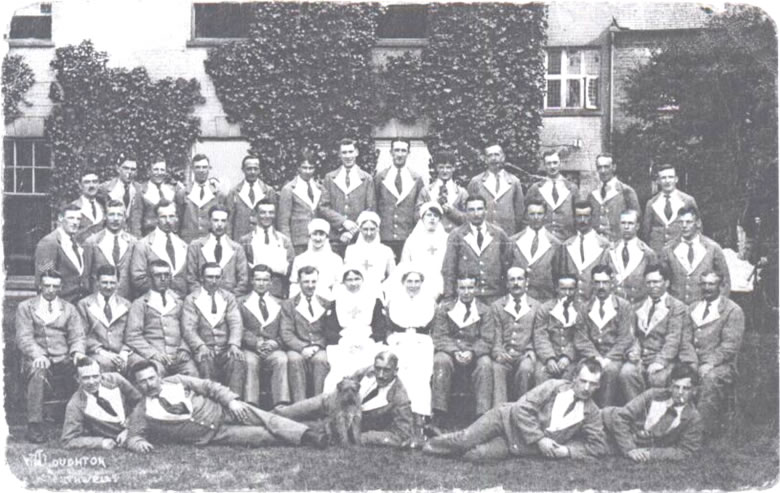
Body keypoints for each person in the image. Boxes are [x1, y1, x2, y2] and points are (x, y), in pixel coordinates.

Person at [422, 358, 608, 461]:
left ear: (598, 386)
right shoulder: (553, 386)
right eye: (583, 381)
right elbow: (522, 408)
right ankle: (430, 445)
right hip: (504, 419)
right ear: (574, 377)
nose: (586, 388)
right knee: (464, 440)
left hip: (518, 445)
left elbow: (598, 446)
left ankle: (455, 446)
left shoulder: (591, 412)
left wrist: (567, 451)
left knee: (475, 456)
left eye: (592, 384)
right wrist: (540, 439)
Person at [125, 361, 326, 452]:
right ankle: (310, 429)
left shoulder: (177, 380)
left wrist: (231, 401)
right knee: (261, 436)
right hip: (215, 434)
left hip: (225, 411)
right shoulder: (142, 411)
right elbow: (133, 436)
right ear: (137, 384)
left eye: (152, 378)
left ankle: (310, 435)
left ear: (158, 376)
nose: (149, 384)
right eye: (142, 381)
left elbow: (209, 386)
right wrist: (137, 444)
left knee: (268, 418)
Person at [274, 351, 414, 448]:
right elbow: (349, 381)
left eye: (387, 370)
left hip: (342, 424)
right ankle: (253, 414)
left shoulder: (400, 398)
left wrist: (363, 437)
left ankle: (254, 423)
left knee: (292, 429)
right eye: (378, 369)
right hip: (328, 402)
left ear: (396, 371)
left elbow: (402, 434)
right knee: (284, 414)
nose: (381, 375)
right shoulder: (369, 371)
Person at [16, 270, 86, 443]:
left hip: (64, 357)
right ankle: (35, 425)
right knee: (38, 372)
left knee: (86, 370)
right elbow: (24, 337)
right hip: (37, 359)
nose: (50, 290)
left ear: (61, 288)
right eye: (47, 285)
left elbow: (77, 335)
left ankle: (85, 420)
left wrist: (77, 352)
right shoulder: (26, 307)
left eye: (55, 286)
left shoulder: (69, 309)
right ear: (40, 286)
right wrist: (38, 354)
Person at [678, 270, 744, 434]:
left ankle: (697, 433)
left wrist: (709, 363)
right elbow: (685, 339)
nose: (707, 288)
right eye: (703, 284)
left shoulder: (732, 310)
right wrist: (692, 362)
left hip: (721, 365)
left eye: (711, 284)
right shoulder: (693, 307)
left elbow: (729, 346)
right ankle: (672, 428)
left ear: (720, 286)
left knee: (710, 379)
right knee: (671, 375)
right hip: (693, 361)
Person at [431, 274, 495, 429]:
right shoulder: (445, 308)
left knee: (485, 364)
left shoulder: (484, 310)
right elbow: (440, 336)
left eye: (470, 288)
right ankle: (439, 415)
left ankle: (482, 415)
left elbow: (487, 338)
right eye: (462, 288)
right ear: (456, 289)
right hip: (451, 351)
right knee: (440, 360)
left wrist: (472, 352)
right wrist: (454, 351)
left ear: (476, 289)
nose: (466, 292)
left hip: (474, 352)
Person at [603, 365, 703, 461]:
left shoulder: (693, 418)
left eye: (686, 388)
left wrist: (650, 454)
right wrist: (630, 448)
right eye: (676, 387)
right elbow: (621, 417)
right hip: (606, 421)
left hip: (625, 439)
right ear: (671, 386)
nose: (680, 392)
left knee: (601, 448)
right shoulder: (652, 395)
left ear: (694, 391)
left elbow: (685, 451)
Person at [619, 264, 687, 401]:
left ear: (666, 283)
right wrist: (632, 352)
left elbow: (673, 339)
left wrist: (660, 361)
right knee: (626, 372)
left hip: (664, 359)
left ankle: (656, 418)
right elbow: (633, 335)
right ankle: (638, 415)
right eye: (648, 282)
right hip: (641, 358)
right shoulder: (638, 306)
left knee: (658, 378)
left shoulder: (677, 307)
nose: (652, 286)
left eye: (656, 282)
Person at [384, 264, 437, 437]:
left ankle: (420, 419)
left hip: (421, 341)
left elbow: (433, 327)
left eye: (417, 281)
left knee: (421, 376)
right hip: (400, 340)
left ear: (422, 283)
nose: (413, 285)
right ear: (403, 282)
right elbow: (388, 327)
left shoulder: (429, 302)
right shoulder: (394, 301)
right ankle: (401, 418)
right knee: (401, 375)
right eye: (409, 281)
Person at [574, 265, 635, 407]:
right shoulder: (585, 307)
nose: (601, 287)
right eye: (597, 282)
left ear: (611, 283)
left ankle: (604, 413)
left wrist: (608, 359)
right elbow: (581, 338)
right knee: (582, 372)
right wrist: (595, 357)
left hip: (613, 357)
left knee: (609, 371)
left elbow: (625, 338)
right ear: (592, 284)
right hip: (591, 356)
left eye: (605, 282)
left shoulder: (623, 306)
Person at [125, 260, 199, 377]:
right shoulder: (140, 304)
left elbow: (188, 330)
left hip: (178, 357)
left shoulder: (179, 302)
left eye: (167, 275)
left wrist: (185, 349)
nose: (163, 279)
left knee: (193, 374)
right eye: (158, 275)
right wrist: (153, 354)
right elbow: (133, 336)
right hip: (155, 357)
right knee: (155, 375)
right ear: (149, 278)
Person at [181, 263, 245, 395]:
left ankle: (235, 400)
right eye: (210, 277)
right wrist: (200, 346)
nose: (214, 281)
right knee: (204, 360)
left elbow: (235, 322)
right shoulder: (192, 299)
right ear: (202, 278)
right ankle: (211, 404)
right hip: (205, 348)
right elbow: (188, 328)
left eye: (217, 277)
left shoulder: (228, 297)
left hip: (225, 348)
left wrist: (234, 344)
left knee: (237, 359)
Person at [322, 265, 388, 394]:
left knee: (370, 365)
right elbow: (330, 328)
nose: (353, 283)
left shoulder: (374, 300)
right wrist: (344, 342)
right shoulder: (336, 302)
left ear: (362, 280)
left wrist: (370, 341)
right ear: (344, 282)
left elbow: (380, 326)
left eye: (357, 279)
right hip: (343, 340)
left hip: (368, 339)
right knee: (340, 368)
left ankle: (367, 403)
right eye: (349, 279)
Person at [442, 195, 513, 304]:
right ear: (466, 212)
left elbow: (508, 265)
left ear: (485, 210)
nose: (476, 214)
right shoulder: (456, 235)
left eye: (479, 209)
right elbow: (449, 269)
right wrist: (449, 298)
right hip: (468, 298)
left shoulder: (499, 234)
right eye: (471, 210)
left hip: (495, 297)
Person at [238, 264, 291, 407]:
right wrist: (255, 343)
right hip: (251, 348)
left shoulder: (281, 303)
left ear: (271, 283)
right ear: (252, 281)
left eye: (265, 280)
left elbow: (286, 329)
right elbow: (239, 328)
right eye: (258, 279)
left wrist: (276, 343)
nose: (261, 283)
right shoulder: (241, 302)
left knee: (281, 359)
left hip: (273, 348)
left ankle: (281, 404)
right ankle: (251, 404)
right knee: (249, 362)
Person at [61, 357, 142, 449]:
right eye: (86, 378)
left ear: (101, 374)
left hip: (138, 425)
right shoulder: (75, 404)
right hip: (117, 438)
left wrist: (130, 426)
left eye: (95, 376)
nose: (92, 382)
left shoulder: (116, 380)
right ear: (77, 379)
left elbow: (141, 401)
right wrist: (100, 442)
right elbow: (68, 440)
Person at [280, 266, 334, 400]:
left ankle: (319, 403)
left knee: (322, 360)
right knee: (294, 360)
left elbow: (330, 331)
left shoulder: (326, 304)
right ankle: (300, 405)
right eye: (306, 282)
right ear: (299, 282)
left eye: (313, 282)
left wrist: (317, 345)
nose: (310, 286)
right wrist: (302, 348)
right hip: (297, 347)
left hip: (318, 347)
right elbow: (286, 332)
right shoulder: (289, 305)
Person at [492, 267, 542, 405]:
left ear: (527, 282)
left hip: (524, 355)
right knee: (497, 369)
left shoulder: (536, 306)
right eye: (512, 280)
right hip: (505, 354)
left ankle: (522, 411)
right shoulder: (497, 306)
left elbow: (538, 334)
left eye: (520, 279)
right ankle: (499, 412)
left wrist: (531, 350)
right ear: (507, 284)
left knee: (526, 369)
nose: (516, 283)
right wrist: (498, 352)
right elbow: (496, 334)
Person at [661, 206, 731, 304]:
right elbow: (662, 282)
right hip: (676, 310)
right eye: (681, 222)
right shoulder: (668, 249)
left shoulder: (713, 248)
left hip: (704, 309)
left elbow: (725, 282)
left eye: (688, 222)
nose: (684, 226)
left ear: (697, 223)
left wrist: (718, 307)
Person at [374, 137, 430, 258]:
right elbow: (374, 205)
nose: (400, 154)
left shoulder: (416, 178)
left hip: (408, 237)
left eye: (403, 151)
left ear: (408, 153)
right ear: (391, 152)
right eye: (397, 150)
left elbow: (420, 208)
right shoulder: (380, 177)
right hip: (385, 237)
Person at [319, 138, 376, 255]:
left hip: (358, 237)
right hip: (335, 237)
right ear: (339, 154)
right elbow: (323, 207)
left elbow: (370, 209)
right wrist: (343, 222)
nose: (348, 156)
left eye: (351, 152)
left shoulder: (366, 178)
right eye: (344, 152)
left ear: (356, 153)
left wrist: (352, 232)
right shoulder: (330, 178)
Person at [76, 265, 133, 374]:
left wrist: (124, 352)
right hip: (97, 353)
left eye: (112, 283)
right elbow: (82, 335)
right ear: (97, 283)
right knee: (107, 365)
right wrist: (103, 352)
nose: (108, 287)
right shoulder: (84, 304)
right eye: (104, 282)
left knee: (140, 365)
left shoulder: (126, 305)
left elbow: (132, 333)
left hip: (123, 352)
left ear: (118, 283)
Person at [34, 203, 94, 303]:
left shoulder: (75, 243)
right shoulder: (49, 243)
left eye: (78, 219)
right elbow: (43, 279)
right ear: (61, 218)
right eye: (71, 218)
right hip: (61, 305)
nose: (75, 222)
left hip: (78, 305)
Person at [185, 205, 249, 295]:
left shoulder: (237, 249)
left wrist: (229, 299)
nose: (219, 224)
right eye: (216, 220)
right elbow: (191, 278)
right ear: (209, 221)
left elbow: (243, 281)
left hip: (230, 301)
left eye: (223, 221)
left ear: (227, 223)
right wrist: (202, 296)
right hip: (202, 300)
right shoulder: (195, 246)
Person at [130, 200, 189, 296]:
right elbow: (138, 279)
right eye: (163, 217)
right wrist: (165, 293)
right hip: (154, 302)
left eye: (171, 216)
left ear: (177, 218)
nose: (168, 221)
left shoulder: (183, 245)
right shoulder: (143, 245)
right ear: (156, 219)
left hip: (180, 301)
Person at [238, 198, 295, 298]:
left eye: (271, 213)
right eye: (263, 212)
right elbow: (243, 270)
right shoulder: (246, 241)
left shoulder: (284, 240)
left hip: (278, 292)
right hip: (253, 293)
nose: (267, 216)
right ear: (256, 215)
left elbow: (290, 268)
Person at [555, 200, 610, 303]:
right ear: (574, 218)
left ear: (592, 217)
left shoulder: (605, 246)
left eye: (586, 216)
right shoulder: (566, 245)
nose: (582, 220)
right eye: (579, 216)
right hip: (572, 305)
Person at [466, 142, 525, 236]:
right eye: (490, 155)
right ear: (485, 159)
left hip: (508, 235)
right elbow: (469, 211)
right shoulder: (476, 182)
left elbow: (520, 213)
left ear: (503, 157)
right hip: (483, 235)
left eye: (497, 155)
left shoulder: (514, 182)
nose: (493, 158)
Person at [533, 273, 581, 385]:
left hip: (572, 359)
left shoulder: (581, 309)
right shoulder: (545, 309)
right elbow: (540, 336)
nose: (567, 293)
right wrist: (549, 358)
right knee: (540, 376)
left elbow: (580, 336)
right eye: (563, 289)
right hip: (550, 357)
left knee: (569, 378)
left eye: (571, 289)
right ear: (557, 289)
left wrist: (568, 357)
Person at [510, 199, 561, 302]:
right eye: (532, 214)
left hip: (544, 300)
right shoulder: (513, 241)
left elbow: (557, 276)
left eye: (540, 214)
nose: (536, 218)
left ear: (545, 216)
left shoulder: (555, 244)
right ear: (526, 216)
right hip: (519, 301)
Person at [86, 199, 138, 299]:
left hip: (126, 300)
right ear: (105, 217)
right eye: (111, 214)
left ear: (125, 218)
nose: (115, 219)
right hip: (97, 300)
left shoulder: (133, 242)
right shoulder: (92, 242)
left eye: (119, 215)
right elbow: (86, 276)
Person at [641, 164, 699, 254]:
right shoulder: (651, 203)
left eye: (670, 177)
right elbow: (646, 232)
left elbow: (697, 229)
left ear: (676, 179)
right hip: (657, 254)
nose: (667, 181)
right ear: (658, 181)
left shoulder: (688, 201)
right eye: (663, 178)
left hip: (681, 253)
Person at [397, 201, 448, 298]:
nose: (432, 218)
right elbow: (405, 264)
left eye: (436, 216)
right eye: (429, 215)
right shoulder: (413, 240)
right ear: (422, 218)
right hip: (417, 283)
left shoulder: (446, 239)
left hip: (441, 281)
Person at [526, 151, 579, 242]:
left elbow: (578, 215)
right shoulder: (535, 188)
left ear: (560, 163)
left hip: (566, 240)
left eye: (555, 163)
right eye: (548, 163)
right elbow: (526, 217)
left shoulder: (572, 188)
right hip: (543, 241)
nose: (552, 166)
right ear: (544, 165)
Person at [606, 209, 657, 303]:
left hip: (637, 306)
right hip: (614, 306)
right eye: (623, 223)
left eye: (630, 223)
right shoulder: (610, 251)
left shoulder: (647, 253)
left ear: (637, 226)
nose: (626, 227)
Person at [277, 149, 322, 254]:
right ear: (298, 168)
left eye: (311, 168)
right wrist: (288, 245)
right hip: (298, 244)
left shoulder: (319, 188)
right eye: (304, 168)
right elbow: (283, 221)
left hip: (317, 240)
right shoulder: (289, 189)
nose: (307, 171)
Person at [343, 211, 396, 298]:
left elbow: (393, 277)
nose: (369, 233)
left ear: (378, 229)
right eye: (365, 229)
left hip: (379, 292)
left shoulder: (386, 251)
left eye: (372, 229)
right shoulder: (351, 250)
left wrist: (382, 289)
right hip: (355, 293)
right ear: (360, 229)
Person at [588, 154, 640, 242]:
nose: (603, 171)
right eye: (599, 167)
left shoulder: (626, 191)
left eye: (606, 167)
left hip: (617, 243)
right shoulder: (592, 194)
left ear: (614, 167)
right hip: (596, 245)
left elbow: (636, 220)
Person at [288, 218, 343, 301]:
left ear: (326, 236)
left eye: (321, 234)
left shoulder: (336, 260)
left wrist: (332, 302)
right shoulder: (300, 259)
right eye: (315, 234)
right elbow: (294, 284)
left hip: (327, 300)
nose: (318, 238)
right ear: (310, 236)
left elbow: (339, 285)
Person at [175, 154, 225, 243]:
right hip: (188, 243)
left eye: (204, 167)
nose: (201, 170)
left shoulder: (218, 194)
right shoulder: (182, 193)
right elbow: (177, 221)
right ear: (193, 169)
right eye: (198, 167)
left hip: (210, 243)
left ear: (209, 169)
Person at [227, 155, 277, 241]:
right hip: (239, 241)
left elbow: (274, 220)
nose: (252, 172)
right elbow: (229, 221)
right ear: (243, 170)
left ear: (260, 170)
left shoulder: (269, 191)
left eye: (255, 168)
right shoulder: (234, 192)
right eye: (249, 169)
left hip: (262, 240)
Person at [128, 160, 179, 237]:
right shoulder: (141, 192)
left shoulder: (172, 190)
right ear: (149, 171)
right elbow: (135, 222)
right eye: (156, 169)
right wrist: (139, 243)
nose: (159, 173)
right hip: (149, 239)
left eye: (162, 170)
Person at [99, 157, 143, 236]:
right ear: (118, 169)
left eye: (133, 169)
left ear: (136, 172)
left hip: (133, 236)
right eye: (126, 168)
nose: (129, 172)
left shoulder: (140, 190)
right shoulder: (105, 189)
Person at [426, 150, 467, 233]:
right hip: (432, 236)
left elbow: (468, 218)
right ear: (436, 168)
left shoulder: (461, 193)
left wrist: (453, 211)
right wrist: (432, 206)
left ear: (454, 168)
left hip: (454, 236)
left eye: (448, 167)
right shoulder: (426, 191)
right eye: (441, 167)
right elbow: (417, 216)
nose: (445, 171)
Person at [69, 169, 105, 243]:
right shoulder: (72, 207)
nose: (91, 186)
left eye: (94, 182)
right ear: (80, 186)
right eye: (87, 182)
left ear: (98, 184)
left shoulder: (103, 206)